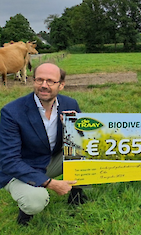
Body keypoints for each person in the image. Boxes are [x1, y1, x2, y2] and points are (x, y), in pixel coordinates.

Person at [0, 63, 87, 226]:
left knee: (87, 152)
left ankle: (76, 193)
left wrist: (75, 127)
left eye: (50, 81)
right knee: (36, 200)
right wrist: (51, 184)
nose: (44, 85)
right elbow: (9, 160)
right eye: (39, 80)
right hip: (19, 168)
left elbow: (84, 138)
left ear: (61, 84)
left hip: (49, 159)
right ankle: (26, 211)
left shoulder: (70, 104)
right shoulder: (11, 112)